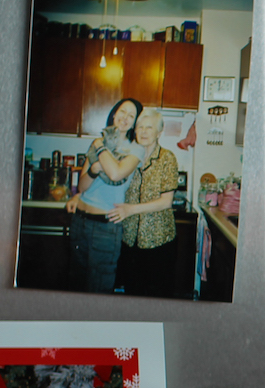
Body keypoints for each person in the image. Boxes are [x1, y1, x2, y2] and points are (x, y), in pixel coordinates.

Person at [65, 98, 145, 293]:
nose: (125, 118)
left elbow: (115, 173)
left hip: (105, 227)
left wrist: (100, 147)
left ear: (135, 123)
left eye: (131, 116)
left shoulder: (136, 149)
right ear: (114, 113)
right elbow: (82, 187)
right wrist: (93, 169)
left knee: (98, 288)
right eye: (122, 112)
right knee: (75, 285)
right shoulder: (96, 144)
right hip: (79, 222)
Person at [111, 106, 180, 297]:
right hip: (130, 239)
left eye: (149, 128)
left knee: (157, 296)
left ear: (159, 132)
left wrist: (130, 209)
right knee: (133, 293)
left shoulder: (167, 158)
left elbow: (166, 202)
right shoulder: (129, 156)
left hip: (158, 241)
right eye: (140, 127)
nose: (143, 132)